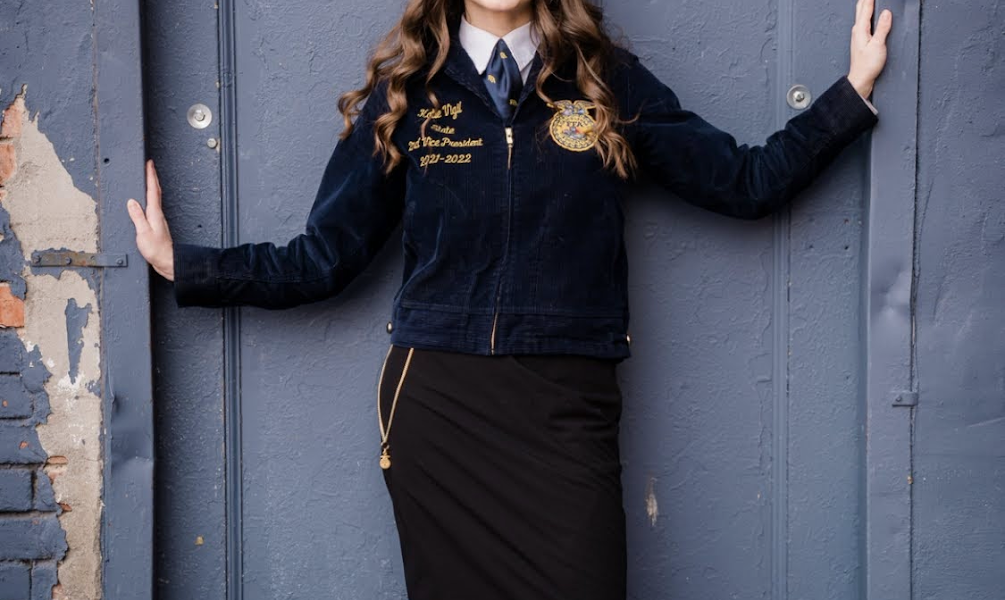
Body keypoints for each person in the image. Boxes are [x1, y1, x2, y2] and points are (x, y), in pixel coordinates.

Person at [127, 0, 892, 598]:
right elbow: (322, 259)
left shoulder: (603, 82)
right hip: (440, 405)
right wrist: (185, 265)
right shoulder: (407, 95)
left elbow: (744, 182)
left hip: (566, 406)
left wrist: (850, 94)